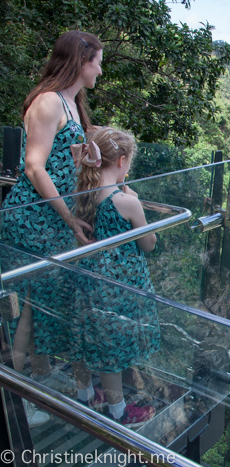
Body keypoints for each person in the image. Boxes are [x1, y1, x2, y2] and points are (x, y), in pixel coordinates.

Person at [0, 30, 102, 427]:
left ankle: (28, 388)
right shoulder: (47, 102)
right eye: (97, 61)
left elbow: (63, 160)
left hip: (52, 218)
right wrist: (68, 218)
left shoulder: (72, 104)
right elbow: (34, 166)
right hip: (32, 218)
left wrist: (86, 156)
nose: (100, 70)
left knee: (35, 306)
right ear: (80, 61)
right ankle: (19, 400)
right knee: (27, 308)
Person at [70, 127, 160, 427]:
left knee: (84, 337)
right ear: (122, 161)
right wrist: (138, 202)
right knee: (113, 348)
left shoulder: (81, 192)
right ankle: (118, 410)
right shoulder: (126, 203)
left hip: (86, 280)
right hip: (119, 287)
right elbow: (148, 243)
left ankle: (85, 394)